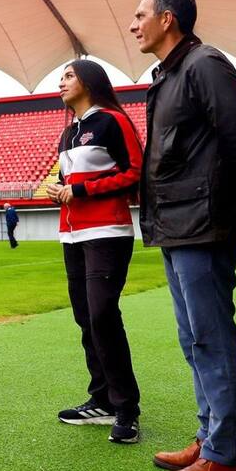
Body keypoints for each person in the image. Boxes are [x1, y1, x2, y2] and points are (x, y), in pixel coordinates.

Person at [129, 0, 236, 471]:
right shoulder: (170, 74)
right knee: (193, 340)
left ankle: (224, 455)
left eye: (141, 15)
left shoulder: (204, 64)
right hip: (177, 225)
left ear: (168, 19)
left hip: (201, 225)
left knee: (211, 338)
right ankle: (208, 434)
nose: (134, 25)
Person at [46, 60, 144, 444]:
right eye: (61, 77)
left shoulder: (112, 120)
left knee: (103, 315)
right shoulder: (68, 131)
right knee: (86, 317)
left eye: (69, 76)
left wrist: (84, 191)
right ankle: (101, 399)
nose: (62, 82)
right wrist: (59, 189)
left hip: (107, 232)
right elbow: (68, 180)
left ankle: (127, 409)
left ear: (89, 81)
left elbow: (135, 172)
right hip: (71, 236)